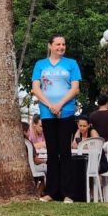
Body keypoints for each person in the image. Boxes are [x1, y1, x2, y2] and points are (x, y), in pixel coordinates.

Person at [32, 34, 81, 203]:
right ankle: (51, 192)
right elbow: (36, 88)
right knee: (52, 153)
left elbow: (75, 88)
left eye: (63, 44)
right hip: (47, 113)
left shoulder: (71, 64)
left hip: (66, 112)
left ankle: (68, 194)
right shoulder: (40, 64)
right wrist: (50, 105)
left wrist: (59, 105)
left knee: (65, 152)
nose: (61, 47)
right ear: (50, 46)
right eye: (58, 44)